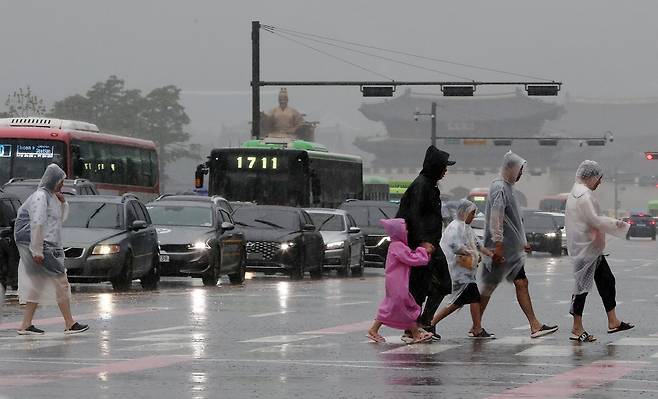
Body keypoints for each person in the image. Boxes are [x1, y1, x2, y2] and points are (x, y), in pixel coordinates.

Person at [480, 151, 558, 338]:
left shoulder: (506, 187)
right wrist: (498, 245)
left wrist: (521, 242)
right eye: (519, 170)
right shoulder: (500, 188)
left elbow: (511, 220)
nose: (521, 174)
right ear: (510, 168)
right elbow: (497, 218)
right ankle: (534, 325)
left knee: (503, 285)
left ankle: (533, 324)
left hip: (508, 249)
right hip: (501, 249)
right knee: (499, 285)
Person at [14, 164, 88, 335]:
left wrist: (63, 204)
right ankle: (70, 323)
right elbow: (37, 224)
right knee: (61, 282)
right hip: (41, 245)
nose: (62, 185)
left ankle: (25, 325)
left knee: (37, 283)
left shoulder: (51, 197)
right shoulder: (41, 197)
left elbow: (57, 221)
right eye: (61, 181)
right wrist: (38, 250)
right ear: (53, 180)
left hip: (44, 245)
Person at [565, 160, 634, 342]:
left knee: (607, 281)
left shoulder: (576, 192)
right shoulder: (584, 195)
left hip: (589, 248)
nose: (600, 182)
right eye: (599, 178)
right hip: (586, 249)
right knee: (581, 289)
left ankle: (613, 321)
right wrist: (619, 225)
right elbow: (595, 220)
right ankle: (577, 328)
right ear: (590, 176)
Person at [396, 145, 455, 340]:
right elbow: (413, 216)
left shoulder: (430, 185)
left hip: (431, 244)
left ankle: (425, 322)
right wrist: (422, 242)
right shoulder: (421, 185)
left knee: (443, 283)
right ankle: (411, 329)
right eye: (444, 167)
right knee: (418, 287)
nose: (446, 171)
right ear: (435, 166)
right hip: (420, 245)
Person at [430, 200, 495, 338]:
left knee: (460, 301)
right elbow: (455, 246)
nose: (473, 216)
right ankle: (476, 328)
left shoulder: (466, 228)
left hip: (466, 273)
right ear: (464, 212)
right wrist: (470, 253)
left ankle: (431, 323)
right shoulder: (455, 227)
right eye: (472, 213)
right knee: (473, 298)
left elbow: (478, 244)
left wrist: (489, 254)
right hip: (458, 272)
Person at [367, 218, 434, 344]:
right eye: (405, 229)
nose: (407, 232)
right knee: (405, 307)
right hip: (398, 283)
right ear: (398, 232)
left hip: (395, 282)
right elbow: (412, 258)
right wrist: (424, 251)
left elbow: (409, 255)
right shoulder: (398, 246)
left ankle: (373, 329)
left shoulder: (396, 245)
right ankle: (415, 334)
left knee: (391, 307)